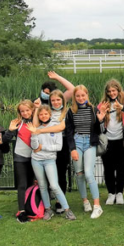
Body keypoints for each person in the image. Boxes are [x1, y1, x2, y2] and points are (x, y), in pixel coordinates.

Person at [35, 71, 76, 213]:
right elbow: (35, 124)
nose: (54, 101)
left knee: (61, 171)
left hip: (62, 143)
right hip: (46, 143)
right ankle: (48, 198)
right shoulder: (46, 108)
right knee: (47, 172)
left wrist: (58, 77)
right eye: (46, 94)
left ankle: (60, 200)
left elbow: (72, 89)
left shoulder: (63, 107)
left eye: (51, 94)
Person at [29, 105, 77, 220]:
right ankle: (48, 210)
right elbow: (34, 147)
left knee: (54, 185)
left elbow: (58, 147)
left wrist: (43, 147)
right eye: (41, 114)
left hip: (50, 160)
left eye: (46, 114)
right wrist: (34, 134)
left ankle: (67, 210)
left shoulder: (56, 128)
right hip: (36, 160)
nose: (43, 116)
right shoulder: (36, 127)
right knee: (42, 185)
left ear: (49, 114)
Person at [65, 85, 103, 218]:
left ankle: (97, 206)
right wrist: (72, 149)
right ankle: (85, 201)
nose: (81, 98)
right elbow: (68, 132)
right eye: (78, 96)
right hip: (77, 141)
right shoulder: (71, 111)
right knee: (79, 174)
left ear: (87, 95)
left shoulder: (93, 109)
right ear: (74, 97)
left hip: (89, 143)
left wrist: (100, 120)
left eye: (83, 95)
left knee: (88, 173)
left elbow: (99, 131)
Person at [3, 100, 36, 223]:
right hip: (20, 158)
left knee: (31, 184)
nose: (25, 113)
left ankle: (31, 207)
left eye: (27, 110)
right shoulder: (17, 123)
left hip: (34, 157)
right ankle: (21, 211)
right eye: (22, 111)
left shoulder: (36, 122)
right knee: (21, 185)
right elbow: (5, 140)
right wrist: (10, 130)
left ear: (32, 110)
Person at [100, 79, 124, 205]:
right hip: (107, 141)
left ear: (118, 90)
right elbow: (99, 123)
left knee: (121, 167)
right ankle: (111, 193)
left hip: (121, 141)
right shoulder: (102, 105)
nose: (112, 93)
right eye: (109, 91)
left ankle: (120, 193)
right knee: (108, 168)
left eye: (114, 91)